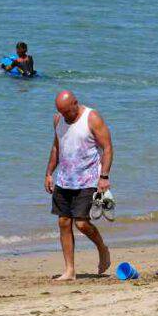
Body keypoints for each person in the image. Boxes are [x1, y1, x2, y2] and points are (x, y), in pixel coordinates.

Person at [44, 90, 113, 281]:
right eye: (62, 112)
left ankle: (102, 248)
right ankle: (70, 270)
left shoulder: (92, 118)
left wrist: (104, 176)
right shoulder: (58, 120)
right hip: (64, 180)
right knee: (63, 222)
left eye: (68, 112)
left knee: (82, 223)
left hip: (88, 179)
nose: (65, 116)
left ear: (75, 103)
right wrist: (49, 173)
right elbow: (56, 146)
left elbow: (107, 147)